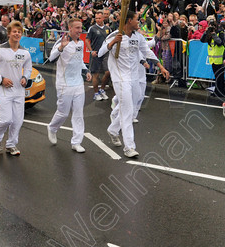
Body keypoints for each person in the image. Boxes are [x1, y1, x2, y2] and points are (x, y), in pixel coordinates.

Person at [98, 11, 169, 158]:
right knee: (127, 110)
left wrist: (160, 67)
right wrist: (112, 43)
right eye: (137, 20)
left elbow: (146, 52)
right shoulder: (114, 35)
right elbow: (100, 53)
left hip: (134, 77)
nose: (139, 23)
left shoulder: (138, 37)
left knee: (136, 103)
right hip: (120, 78)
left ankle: (113, 129)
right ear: (129, 21)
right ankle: (129, 147)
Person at [0, 21, 31, 156]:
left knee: (17, 120)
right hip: (3, 90)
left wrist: (25, 77)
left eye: (19, 32)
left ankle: (11, 144)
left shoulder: (25, 52)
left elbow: (28, 68)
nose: (17, 34)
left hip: (18, 90)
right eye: (14, 31)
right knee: (5, 119)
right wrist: (1, 79)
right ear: (9, 33)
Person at [47, 18, 89, 152]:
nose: (79, 30)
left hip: (78, 83)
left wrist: (85, 70)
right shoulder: (62, 41)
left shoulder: (81, 43)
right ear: (70, 29)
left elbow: (80, 60)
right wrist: (61, 47)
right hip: (64, 84)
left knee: (78, 113)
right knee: (63, 113)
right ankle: (52, 128)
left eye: (81, 27)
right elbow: (51, 58)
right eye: (77, 28)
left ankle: (76, 142)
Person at [87, 11, 111, 101]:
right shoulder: (92, 28)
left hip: (105, 53)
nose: (97, 20)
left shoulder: (107, 28)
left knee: (108, 72)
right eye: (96, 18)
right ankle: (96, 93)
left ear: (103, 18)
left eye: (99, 18)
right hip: (96, 54)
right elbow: (87, 40)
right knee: (96, 74)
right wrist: (91, 51)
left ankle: (102, 90)